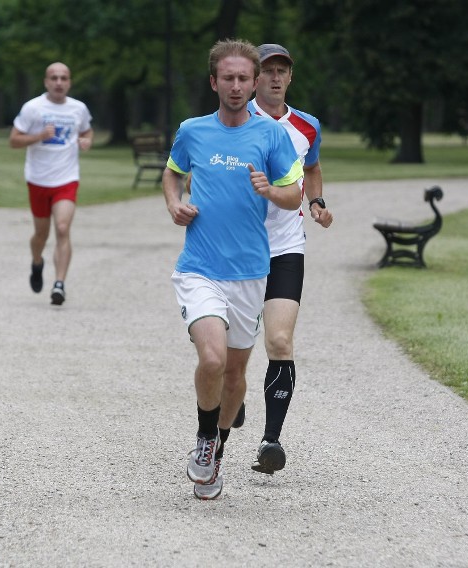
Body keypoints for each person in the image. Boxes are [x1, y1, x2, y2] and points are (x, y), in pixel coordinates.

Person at [163, 39, 304, 500]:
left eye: (246, 78)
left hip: (249, 272)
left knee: (235, 376)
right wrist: (174, 202)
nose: (238, 86)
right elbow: (172, 171)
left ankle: (218, 445)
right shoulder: (193, 130)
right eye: (229, 78)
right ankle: (205, 437)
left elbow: (293, 194)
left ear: (255, 81)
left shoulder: (270, 135)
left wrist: (269, 190)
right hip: (200, 267)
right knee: (212, 358)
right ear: (214, 82)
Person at [246, 43, 334, 475]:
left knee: (279, 342)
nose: (276, 78)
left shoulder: (307, 125)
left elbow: (311, 168)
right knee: (230, 352)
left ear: (290, 77)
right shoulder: (236, 120)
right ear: (254, 77)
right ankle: (228, 403)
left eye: (282, 71)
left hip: (285, 248)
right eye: (268, 71)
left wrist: (316, 203)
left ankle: (271, 441)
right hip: (237, 250)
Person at [9, 62, 94, 305]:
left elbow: (87, 131)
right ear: (46, 82)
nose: (59, 82)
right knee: (41, 234)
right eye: (54, 78)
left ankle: (59, 284)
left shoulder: (79, 108)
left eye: (64, 78)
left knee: (63, 228)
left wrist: (86, 141)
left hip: (66, 179)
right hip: (38, 179)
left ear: (69, 82)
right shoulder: (33, 108)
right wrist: (38, 136)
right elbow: (13, 140)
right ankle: (37, 262)